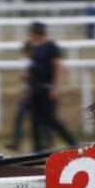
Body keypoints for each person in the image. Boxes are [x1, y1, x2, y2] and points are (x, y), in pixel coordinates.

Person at [25, 21, 78, 152]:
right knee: (35, 120)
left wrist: (56, 87)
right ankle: (37, 149)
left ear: (37, 33)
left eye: (31, 33)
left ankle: (72, 142)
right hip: (36, 89)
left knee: (50, 119)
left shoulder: (51, 47)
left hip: (48, 89)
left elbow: (58, 67)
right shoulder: (36, 48)